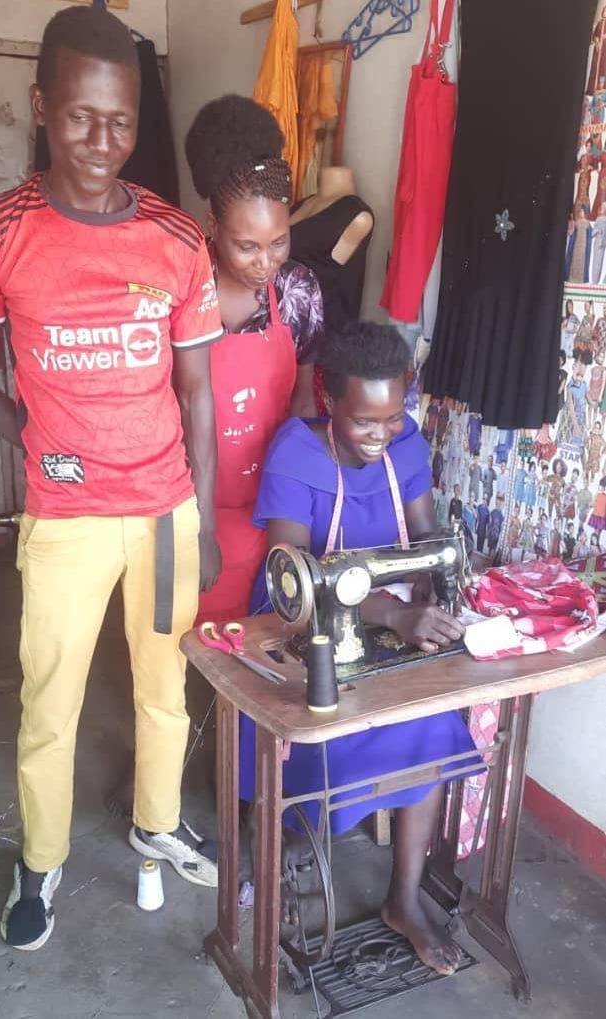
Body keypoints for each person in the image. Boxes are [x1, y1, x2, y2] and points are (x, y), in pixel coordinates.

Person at [0, 7, 223, 951]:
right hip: (67, 518)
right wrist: (37, 437)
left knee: (166, 683)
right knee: (52, 697)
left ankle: (156, 819)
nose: (101, 141)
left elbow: (196, 392)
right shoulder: (1, 235)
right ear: (41, 106)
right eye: (81, 117)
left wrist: (200, 518)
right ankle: (40, 860)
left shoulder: (175, 238)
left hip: (163, 513)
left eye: (120, 122)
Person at [240, 322, 478, 976]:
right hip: (301, 623)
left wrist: (432, 590)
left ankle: (404, 899)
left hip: (387, 616)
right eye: (363, 421)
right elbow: (294, 576)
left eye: (392, 417)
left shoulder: (405, 444)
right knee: (322, 728)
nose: (381, 434)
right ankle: (286, 841)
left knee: (431, 719)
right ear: (329, 400)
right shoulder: (297, 453)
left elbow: (426, 536)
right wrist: (396, 614)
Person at [184, 94, 322, 626]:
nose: (266, 263)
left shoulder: (298, 291)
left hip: (273, 508)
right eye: (247, 246)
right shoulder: (182, 290)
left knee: (268, 642)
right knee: (191, 646)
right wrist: (198, 527)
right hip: (192, 510)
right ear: (212, 225)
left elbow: (303, 402)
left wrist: (297, 510)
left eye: (279, 242)